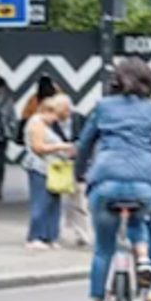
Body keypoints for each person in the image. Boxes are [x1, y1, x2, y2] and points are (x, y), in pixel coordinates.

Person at [74, 59, 151, 301]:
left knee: (103, 249)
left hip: (105, 180)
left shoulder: (102, 107)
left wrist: (79, 174)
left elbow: (85, 143)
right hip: (145, 181)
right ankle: (143, 259)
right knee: (139, 219)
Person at [23, 96, 76, 250]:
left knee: (53, 203)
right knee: (41, 202)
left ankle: (50, 236)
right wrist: (61, 146)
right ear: (47, 112)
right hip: (40, 168)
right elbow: (38, 147)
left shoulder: (44, 124)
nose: (55, 120)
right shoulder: (36, 124)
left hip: (51, 169)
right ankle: (35, 237)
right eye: (55, 116)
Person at [50, 95, 91, 247]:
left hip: (78, 164)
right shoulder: (51, 122)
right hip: (59, 165)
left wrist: (78, 147)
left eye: (68, 108)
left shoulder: (80, 119)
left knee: (79, 200)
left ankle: (82, 233)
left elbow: (88, 138)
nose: (67, 111)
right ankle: (56, 232)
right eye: (63, 109)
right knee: (58, 200)